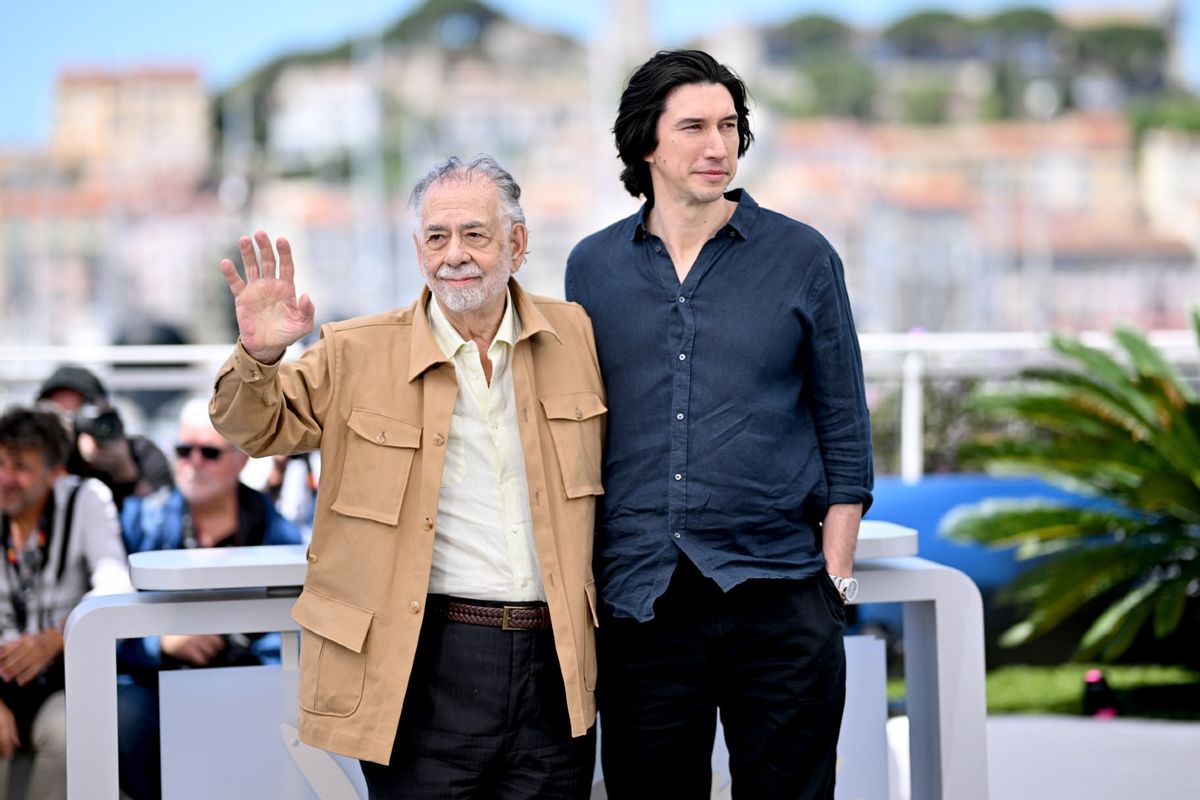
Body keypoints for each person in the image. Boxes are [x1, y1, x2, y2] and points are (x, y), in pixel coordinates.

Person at [210, 155, 604, 798]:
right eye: (436, 237)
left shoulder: (577, 337)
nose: (456, 255)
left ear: (518, 243)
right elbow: (254, 430)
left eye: (476, 234)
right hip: (420, 663)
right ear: (417, 248)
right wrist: (259, 354)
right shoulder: (354, 350)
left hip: (555, 664)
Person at [565, 50, 874, 798]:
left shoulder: (803, 257)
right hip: (642, 600)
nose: (718, 146)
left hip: (781, 596)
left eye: (730, 126)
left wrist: (835, 577)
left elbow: (845, 424)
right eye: (694, 127)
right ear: (646, 143)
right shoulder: (591, 268)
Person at [117, 397, 302, 800]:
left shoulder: (279, 532)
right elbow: (105, 615)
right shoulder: (138, 519)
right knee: (123, 718)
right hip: (157, 678)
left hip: (248, 677)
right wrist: (162, 643)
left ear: (242, 460)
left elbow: (292, 632)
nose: (193, 463)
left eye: (210, 452)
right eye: (184, 450)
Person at [0, 407, 134, 800]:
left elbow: (114, 585)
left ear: (55, 471)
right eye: (1, 463)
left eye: (21, 466)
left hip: (63, 677)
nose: (7, 478)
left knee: (69, 731)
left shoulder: (86, 499)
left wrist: (58, 637)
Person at [37, 365, 173, 510]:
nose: (72, 428)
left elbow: (163, 519)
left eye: (80, 416)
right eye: (60, 417)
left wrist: (126, 473)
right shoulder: (38, 459)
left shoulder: (142, 454)